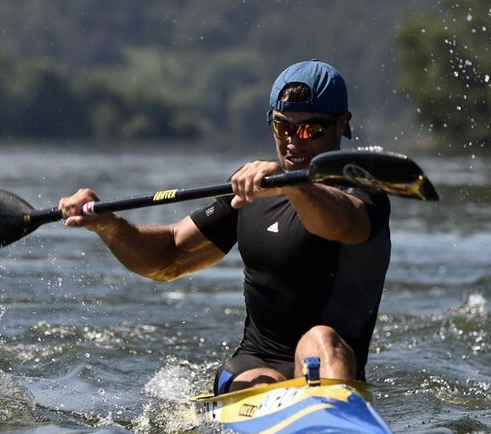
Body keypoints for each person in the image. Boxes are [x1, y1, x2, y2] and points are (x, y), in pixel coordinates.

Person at [58, 60, 390, 395]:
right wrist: (109, 226)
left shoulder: (364, 195)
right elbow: (168, 257)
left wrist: (293, 187)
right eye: (282, 128)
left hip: (332, 365)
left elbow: (341, 225)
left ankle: (334, 420)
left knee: (321, 339)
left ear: (342, 124)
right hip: (254, 367)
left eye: (309, 130)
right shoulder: (250, 196)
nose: (293, 143)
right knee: (268, 382)